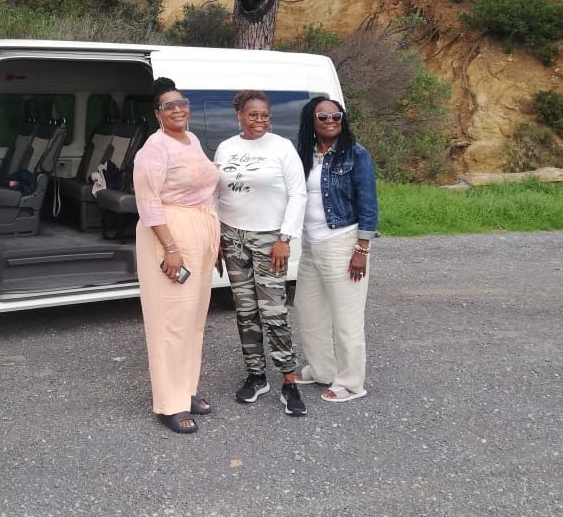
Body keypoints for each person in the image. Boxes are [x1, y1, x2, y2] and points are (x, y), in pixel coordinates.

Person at [133, 77, 221, 434]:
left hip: (200, 229)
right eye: (168, 105)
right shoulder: (154, 149)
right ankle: (170, 402)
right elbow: (148, 203)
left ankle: (186, 389)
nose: (177, 109)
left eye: (181, 103)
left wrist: (212, 240)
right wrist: (171, 248)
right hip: (169, 235)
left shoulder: (191, 139)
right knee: (170, 321)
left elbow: (205, 191)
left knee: (193, 319)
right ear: (158, 113)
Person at [213, 90, 309, 417]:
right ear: (239, 116)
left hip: (270, 239)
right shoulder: (226, 147)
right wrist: (216, 237)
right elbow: (215, 194)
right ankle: (256, 376)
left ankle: (289, 380)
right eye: (253, 115)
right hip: (232, 237)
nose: (260, 120)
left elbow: (298, 194)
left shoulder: (281, 147)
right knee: (245, 311)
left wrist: (284, 237)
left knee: (274, 312)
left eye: (265, 115)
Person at [293, 96, 379, 403]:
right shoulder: (304, 154)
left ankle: (352, 382)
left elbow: (368, 203)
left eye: (336, 116)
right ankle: (322, 370)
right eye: (323, 117)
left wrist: (362, 249)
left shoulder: (356, 154)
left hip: (343, 242)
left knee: (346, 319)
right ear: (311, 121)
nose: (331, 121)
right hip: (310, 244)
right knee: (308, 311)